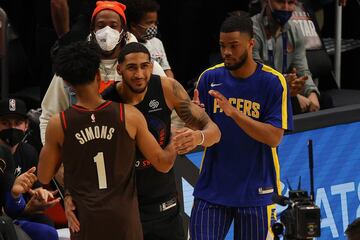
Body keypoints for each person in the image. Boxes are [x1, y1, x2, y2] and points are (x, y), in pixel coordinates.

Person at [62, 42, 220, 240]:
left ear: (152, 66)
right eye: (132, 67)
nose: (139, 74)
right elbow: (79, 158)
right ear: (119, 69)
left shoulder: (166, 88)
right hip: (125, 206)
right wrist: (68, 195)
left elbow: (214, 131)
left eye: (144, 66)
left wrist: (199, 137)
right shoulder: (106, 103)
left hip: (164, 199)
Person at [37, 41, 179, 240]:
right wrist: (173, 143)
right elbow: (163, 164)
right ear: (98, 75)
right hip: (125, 220)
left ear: (67, 83)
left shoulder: (58, 124)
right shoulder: (128, 115)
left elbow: (44, 176)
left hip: (85, 220)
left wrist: (68, 193)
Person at [190, 13, 293, 239]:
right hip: (212, 189)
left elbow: (274, 137)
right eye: (222, 46)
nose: (226, 52)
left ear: (250, 43)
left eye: (234, 46)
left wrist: (234, 113)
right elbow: (202, 129)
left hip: (257, 191)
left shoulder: (273, 82)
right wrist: (193, 116)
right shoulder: (209, 78)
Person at [40, 0, 166, 144]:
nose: (107, 31)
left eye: (113, 26)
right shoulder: (72, 66)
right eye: (100, 26)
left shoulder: (145, 66)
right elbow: (48, 117)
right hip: (84, 154)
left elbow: (170, 108)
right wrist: (56, 156)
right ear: (92, 29)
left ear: (123, 30)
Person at [0, 98, 60, 240]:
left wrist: (39, 197)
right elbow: (10, 205)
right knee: (45, 233)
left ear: (26, 125)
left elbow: (32, 191)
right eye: (5, 123)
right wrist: (19, 202)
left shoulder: (29, 152)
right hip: (5, 218)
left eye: (17, 123)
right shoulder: (3, 154)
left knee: (47, 224)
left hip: (17, 214)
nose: (12, 128)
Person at [252, 0, 320, 114]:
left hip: (283, 90)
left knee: (324, 100)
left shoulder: (295, 30)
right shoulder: (252, 31)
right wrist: (288, 94)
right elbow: (256, 78)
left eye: (291, 2)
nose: (286, 7)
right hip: (257, 96)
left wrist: (311, 92)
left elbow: (302, 70)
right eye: (281, 2)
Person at [124, 0, 174, 78]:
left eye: (155, 22)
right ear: (133, 25)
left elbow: (166, 70)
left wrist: (170, 85)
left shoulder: (157, 43)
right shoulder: (125, 44)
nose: (154, 26)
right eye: (149, 23)